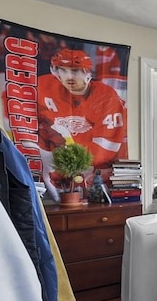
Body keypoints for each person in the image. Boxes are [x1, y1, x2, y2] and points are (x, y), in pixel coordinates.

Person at [35, 48, 128, 199]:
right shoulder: (44, 85)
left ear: (87, 73)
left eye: (76, 71)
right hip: (59, 160)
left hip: (93, 165)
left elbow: (107, 146)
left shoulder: (105, 96)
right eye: (63, 70)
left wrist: (67, 162)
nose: (69, 76)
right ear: (55, 71)